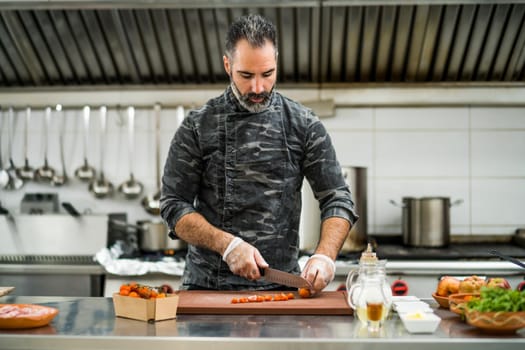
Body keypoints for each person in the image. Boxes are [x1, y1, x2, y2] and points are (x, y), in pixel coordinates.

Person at [160, 14, 358, 295]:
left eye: (267, 74)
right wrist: (226, 245)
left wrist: (325, 256)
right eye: (246, 75)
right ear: (228, 65)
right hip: (207, 288)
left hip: (281, 287)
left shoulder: (303, 124)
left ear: (277, 62)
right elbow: (173, 205)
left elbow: (337, 197)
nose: (257, 88)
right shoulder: (197, 126)